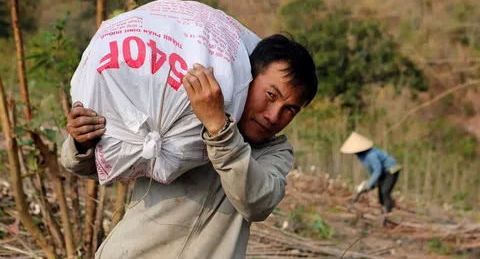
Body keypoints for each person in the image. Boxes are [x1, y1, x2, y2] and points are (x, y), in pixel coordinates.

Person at [62, 34, 318, 258]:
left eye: (290, 109)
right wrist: (82, 142)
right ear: (247, 78)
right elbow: (92, 166)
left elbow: (257, 202)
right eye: (271, 95)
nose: (274, 116)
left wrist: (219, 130)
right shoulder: (184, 116)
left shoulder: (275, 153)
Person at [340, 132, 402, 223]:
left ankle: (387, 214)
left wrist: (369, 184)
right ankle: (384, 211)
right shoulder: (362, 156)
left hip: (391, 170)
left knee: (385, 191)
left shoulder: (371, 155)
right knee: (380, 194)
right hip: (383, 172)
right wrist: (368, 184)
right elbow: (373, 172)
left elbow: (377, 170)